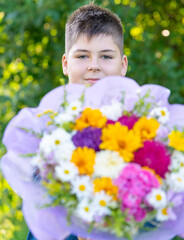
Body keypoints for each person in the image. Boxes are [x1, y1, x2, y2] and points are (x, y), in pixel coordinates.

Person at [27, 2, 128, 240]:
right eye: (82, 56)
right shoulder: (48, 133)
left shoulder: (138, 129)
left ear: (122, 65)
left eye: (106, 56)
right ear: (65, 63)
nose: (94, 65)